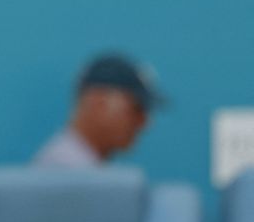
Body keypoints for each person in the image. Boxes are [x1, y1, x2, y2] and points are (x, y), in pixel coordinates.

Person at [34, 53, 165, 167]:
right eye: (136, 108)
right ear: (99, 103)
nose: (144, 123)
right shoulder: (65, 170)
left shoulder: (87, 168)